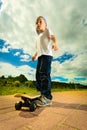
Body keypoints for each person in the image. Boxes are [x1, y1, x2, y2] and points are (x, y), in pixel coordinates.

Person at [32, 16, 58, 106]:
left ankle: (47, 97)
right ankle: (42, 94)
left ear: (45, 24)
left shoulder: (47, 30)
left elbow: (53, 37)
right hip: (40, 56)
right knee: (38, 74)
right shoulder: (38, 37)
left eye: (40, 22)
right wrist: (35, 55)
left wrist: (55, 43)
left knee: (44, 73)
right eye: (37, 23)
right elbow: (38, 49)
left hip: (47, 56)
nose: (38, 24)